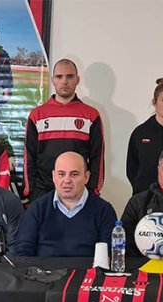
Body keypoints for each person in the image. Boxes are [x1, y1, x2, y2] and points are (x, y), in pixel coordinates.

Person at [23, 58, 105, 202]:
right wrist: (32, 192)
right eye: (59, 77)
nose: (64, 81)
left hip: (79, 193)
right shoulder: (37, 115)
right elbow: (29, 157)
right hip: (43, 193)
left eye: (70, 76)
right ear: (53, 80)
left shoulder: (91, 115)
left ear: (77, 80)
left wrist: (92, 191)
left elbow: (97, 158)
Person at [14, 152, 117, 257]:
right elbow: (23, 254)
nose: (67, 180)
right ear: (54, 177)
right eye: (61, 174)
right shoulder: (37, 209)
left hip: (88, 272)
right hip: (45, 272)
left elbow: (108, 255)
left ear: (86, 177)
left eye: (74, 174)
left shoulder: (104, 211)